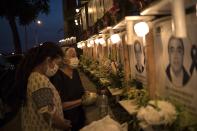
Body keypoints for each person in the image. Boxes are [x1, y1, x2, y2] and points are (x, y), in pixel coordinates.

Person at [14, 42, 71, 131]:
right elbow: (49, 115)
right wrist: (65, 126)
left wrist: (61, 120)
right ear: (48, 60)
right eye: (57, 64)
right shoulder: (39, 80)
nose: (57, 68)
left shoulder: (35, 77)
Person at [50, 47, 86, 131]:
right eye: (72, 56)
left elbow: (81, 90)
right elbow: (59, 105)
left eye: (76, 56)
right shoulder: (58, 77)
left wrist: (86, 94)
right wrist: (81, 101)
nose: (75, 59)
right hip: (68, 120)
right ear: (64, 59)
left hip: (80, 116)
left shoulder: (75, 72)